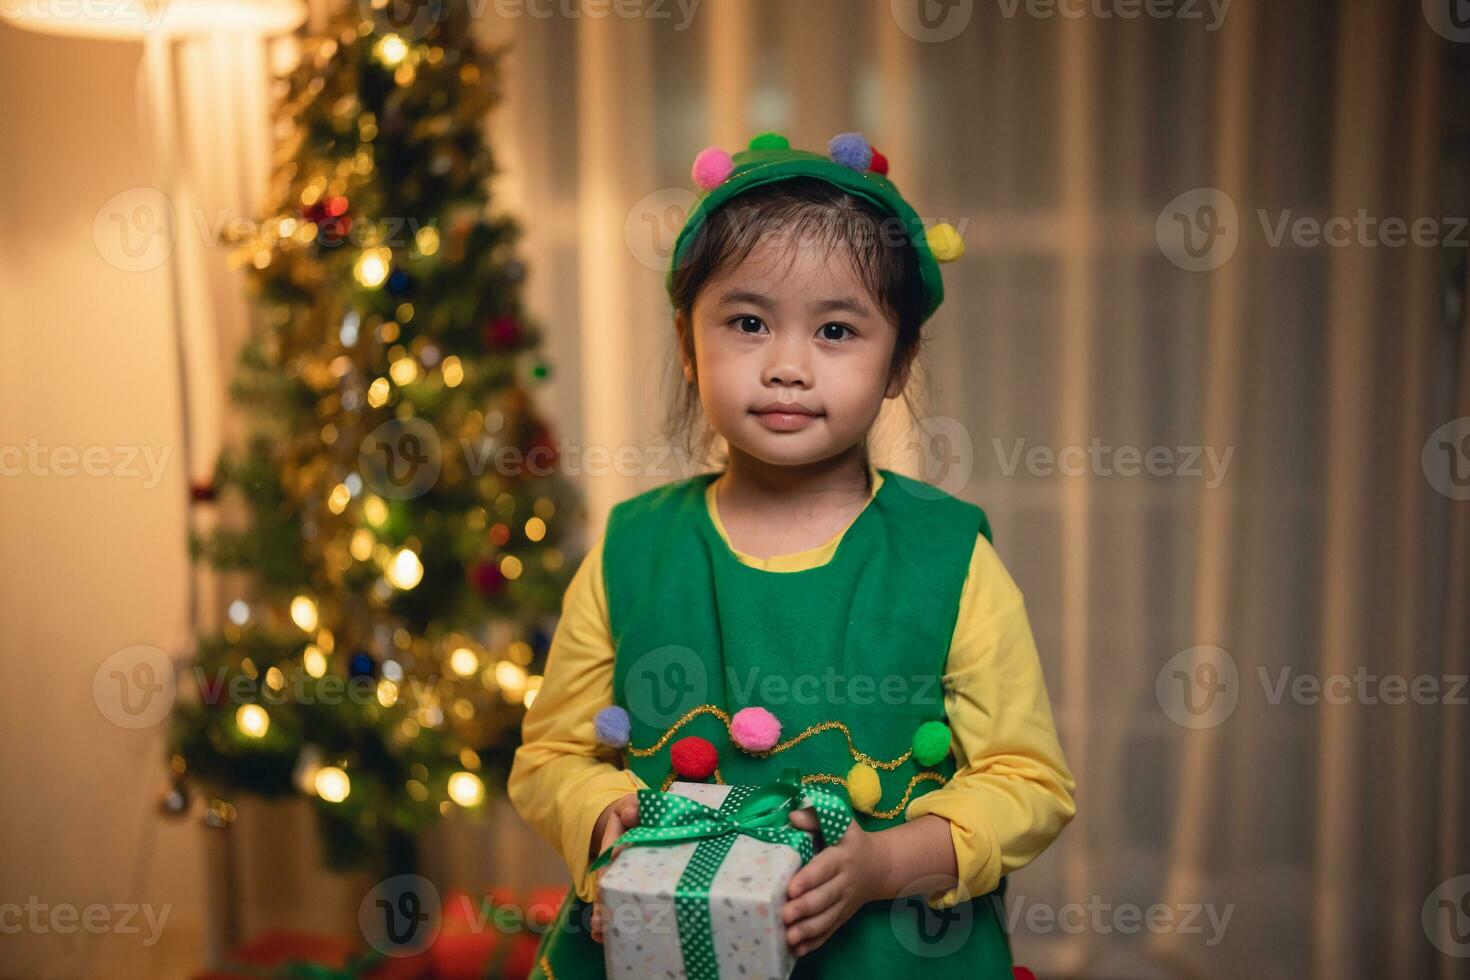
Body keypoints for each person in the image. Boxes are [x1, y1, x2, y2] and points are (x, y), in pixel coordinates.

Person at [508, 132, 1076, 979]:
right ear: (686, 343)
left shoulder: (947, 558)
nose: (785, 367)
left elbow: (1028, 782)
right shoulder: (634, 550)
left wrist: (887, 864)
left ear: (898, 362)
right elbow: (551, 754)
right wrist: (604, 815)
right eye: (747, 322)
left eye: (837, 330)